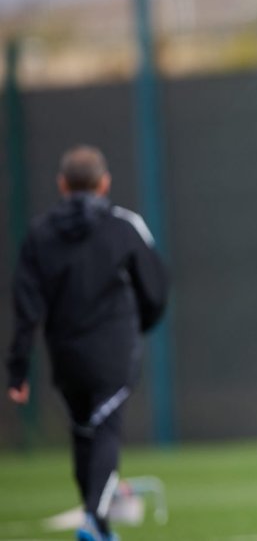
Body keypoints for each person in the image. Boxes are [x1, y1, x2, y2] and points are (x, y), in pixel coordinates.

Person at [6, 145, 169, 541]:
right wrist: (140, 325)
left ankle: (98, 521)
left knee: (83, 433)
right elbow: (156, 289)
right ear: (104, 183)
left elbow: (26, 305)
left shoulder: (39, 234)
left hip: (66, 356)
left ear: (62, 184)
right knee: (106, 430)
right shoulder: (124, 225)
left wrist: (17, 367)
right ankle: (94, 519)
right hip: (114, 349)